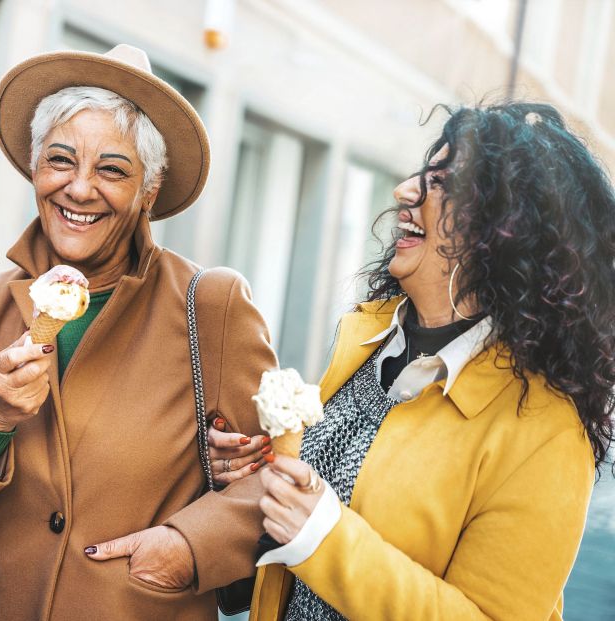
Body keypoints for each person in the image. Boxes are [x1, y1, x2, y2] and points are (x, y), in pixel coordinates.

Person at [0, 44, 274, 620]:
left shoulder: (211, 305)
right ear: (35, 166)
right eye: (61, 160)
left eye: (113, 170)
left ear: (150, 190)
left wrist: (187, 548)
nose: (79, 188)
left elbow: (270, 477)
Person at [239, 102, 615, 620]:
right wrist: (258, 469)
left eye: (441, 183)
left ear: (507, 231)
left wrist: (325, 538)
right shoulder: (369, 336)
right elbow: (329, 496)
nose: (405, 191)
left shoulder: (545, 429)